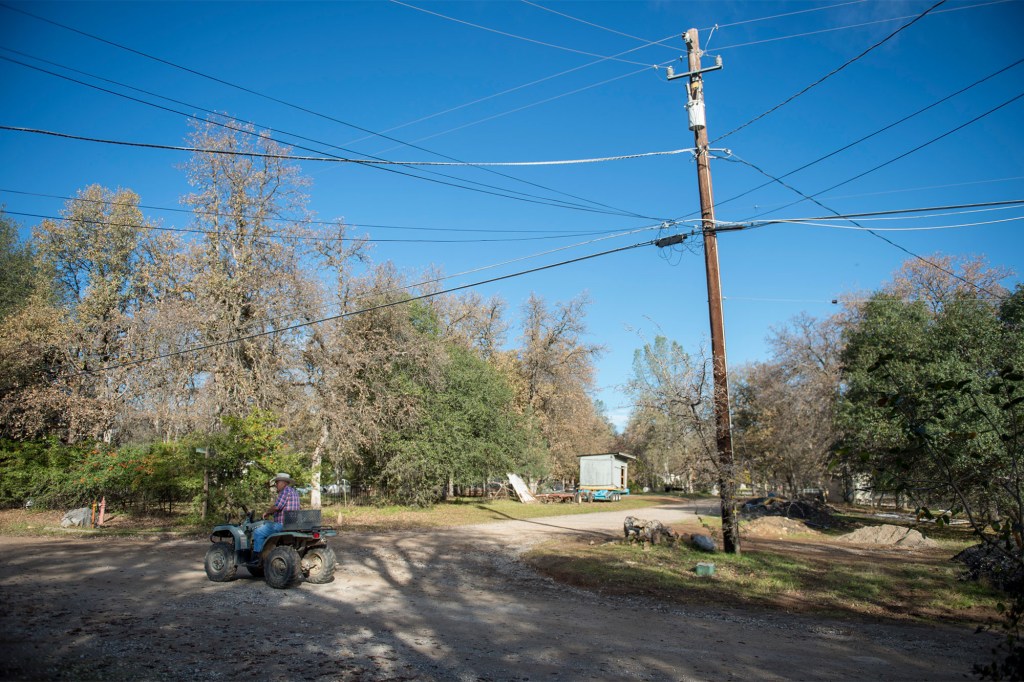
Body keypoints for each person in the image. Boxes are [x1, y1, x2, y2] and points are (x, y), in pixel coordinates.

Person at [250, 472, 301, 561]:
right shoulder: (294, 492)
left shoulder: (285, 491)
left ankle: (257, 558)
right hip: (293, 524)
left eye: (277, 482)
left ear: (284, 482)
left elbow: (277, 507)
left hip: (283, 524)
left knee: (258, 532)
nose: (276, 484)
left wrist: (267, 513)